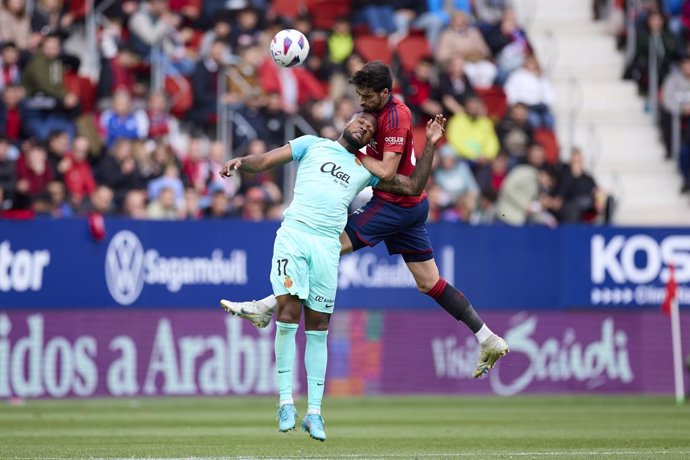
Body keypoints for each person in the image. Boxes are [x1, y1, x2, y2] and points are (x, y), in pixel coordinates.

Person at [222, 61, 509, 380]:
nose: (361, 102)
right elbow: (409, 182)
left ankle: (265, 306)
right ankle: (488, 338)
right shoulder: (378, 113)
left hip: (394, 205)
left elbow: (387, 172)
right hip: (410, 206)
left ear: (385, 93)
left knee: (326, 245)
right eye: (358, 95)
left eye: (367, 96)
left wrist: (348, 153)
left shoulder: (397, 117)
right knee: (428, 282)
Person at [219, 112, 446, 441]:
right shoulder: (311, 145)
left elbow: (412, 187)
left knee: (319, 327)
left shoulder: (367, 168)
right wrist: (242, 160)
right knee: (287, 313)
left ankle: (314, 412)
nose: (364, 126)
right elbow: (266, 160)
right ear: (347, 122)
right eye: (360, 121)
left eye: (369, 129)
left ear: (369, 142)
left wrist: (430, 145)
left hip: (327, 246)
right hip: (294, 235)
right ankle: (285, 402)